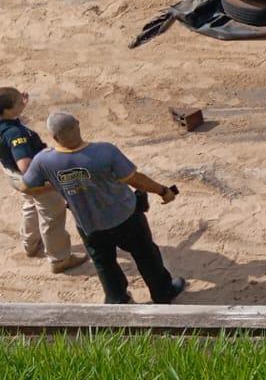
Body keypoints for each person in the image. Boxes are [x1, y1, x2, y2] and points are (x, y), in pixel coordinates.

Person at [19, 111, 186, 304]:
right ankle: (163, 292)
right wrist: (163, 191)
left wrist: (60, 184)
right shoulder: (105, 151)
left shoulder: (43, 161)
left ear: (54, 137)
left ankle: (117, 299)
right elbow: (134, 179)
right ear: (78, 125)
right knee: (146, 254)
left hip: (89, 225)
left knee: (104, 264)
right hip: (126, 217)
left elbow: (27, 186)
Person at [2, 88, 88, 274]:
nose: (22, 103)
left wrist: (19, 106)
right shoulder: (16, 135)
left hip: (15, 177)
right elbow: (26, 166)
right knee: (52, 216)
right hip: (33, 180)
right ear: (7, 109)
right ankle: (59, 259)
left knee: (30, 205)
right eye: (18, 103)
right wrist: (48, 178)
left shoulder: (5, 123)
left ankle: (30, 244)